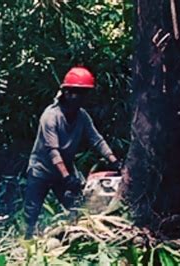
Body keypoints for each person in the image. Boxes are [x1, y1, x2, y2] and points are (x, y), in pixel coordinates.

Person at [24, 66, 120, 239]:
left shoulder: (82, 116)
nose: (80, 97)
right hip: (42, 170)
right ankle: (27, 242)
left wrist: (114, 161)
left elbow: (96, 139)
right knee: (32, 212)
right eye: (76, 92)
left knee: (77, 208)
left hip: (64, 170)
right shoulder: (51, 116)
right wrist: (67, 178)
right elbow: (53, 151)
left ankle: (74, 238)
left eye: (83, 93)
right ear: (66, 93)